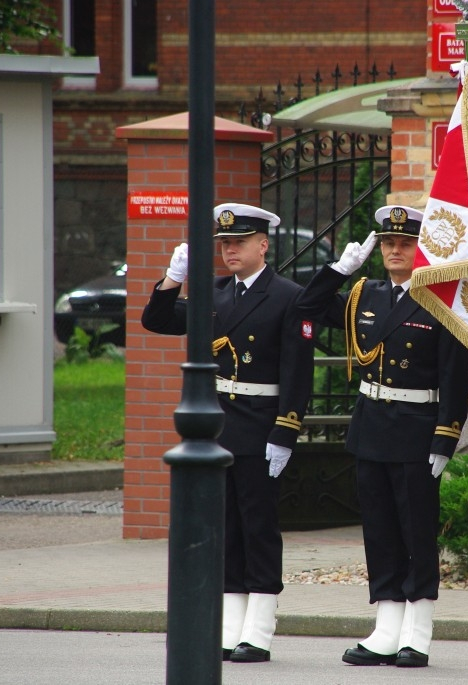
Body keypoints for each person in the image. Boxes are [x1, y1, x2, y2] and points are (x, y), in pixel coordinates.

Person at [295, 205, 468, 669]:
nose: (396, 250)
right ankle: (386, 627)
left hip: (416, 429)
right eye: (389, 243)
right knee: (379, 532)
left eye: (406, 243)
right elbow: (305, 308)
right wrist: (337, 270)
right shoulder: (363, 295)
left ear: (421, 250)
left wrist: (446, 436)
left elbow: (456, 375)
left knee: (416, 531)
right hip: (371, 426)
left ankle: (419, 631)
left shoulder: (440, 299)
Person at [140, 202, 315, 664]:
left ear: (263, 244)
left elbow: (298, 374)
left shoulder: (288, 295)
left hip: (261, 424)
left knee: (258, 527)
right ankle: (229, 625)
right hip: (219, 425)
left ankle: (259, 629)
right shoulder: (214, 293)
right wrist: (173, 277)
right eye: (223, 244)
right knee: (226, 529)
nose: (229, 251)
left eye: (238, 243)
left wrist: (286, 430)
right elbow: (155, 321)